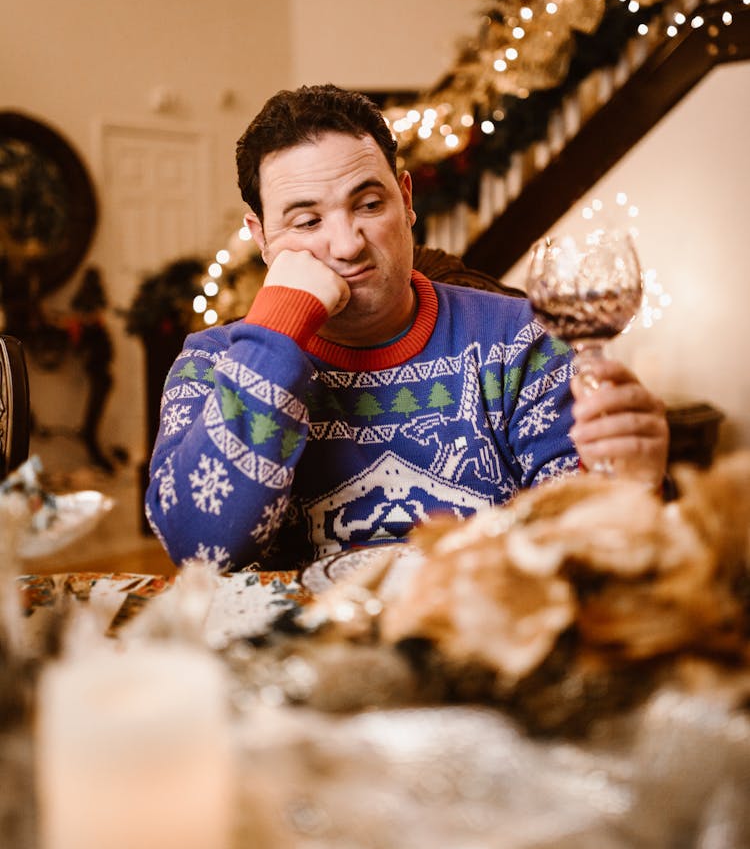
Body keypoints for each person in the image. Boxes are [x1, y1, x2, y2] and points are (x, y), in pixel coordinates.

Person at [146, 84, 669, 571]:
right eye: (307, 222)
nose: (347, 244)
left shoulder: (523, 341)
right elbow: (201, 551)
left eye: (369, 205)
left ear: (406, 199)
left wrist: (631, 486)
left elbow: (583, 550)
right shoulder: (213, 362)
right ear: (261, 237)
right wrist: (276, 331)